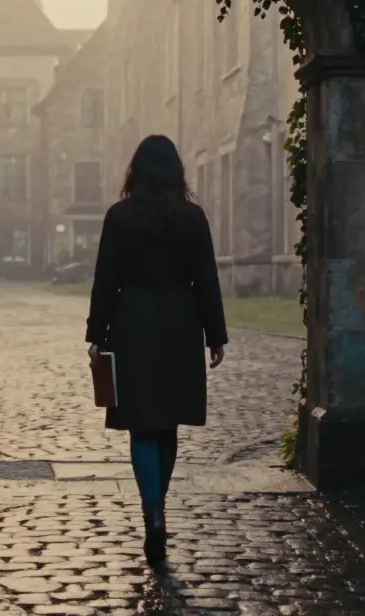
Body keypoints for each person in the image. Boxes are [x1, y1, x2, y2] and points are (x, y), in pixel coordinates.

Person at [85, 134, 228, 567]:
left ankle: (152, 510)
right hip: (180, 326)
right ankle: (157, 509)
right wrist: (215, 335)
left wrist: (96, 332)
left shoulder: (119, 217)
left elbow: (105, 279)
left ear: (136, 171)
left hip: (132, 324)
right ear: (176, 171)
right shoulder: (193, 218)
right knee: (167, 426)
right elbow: (206, 279)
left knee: (141, 426)